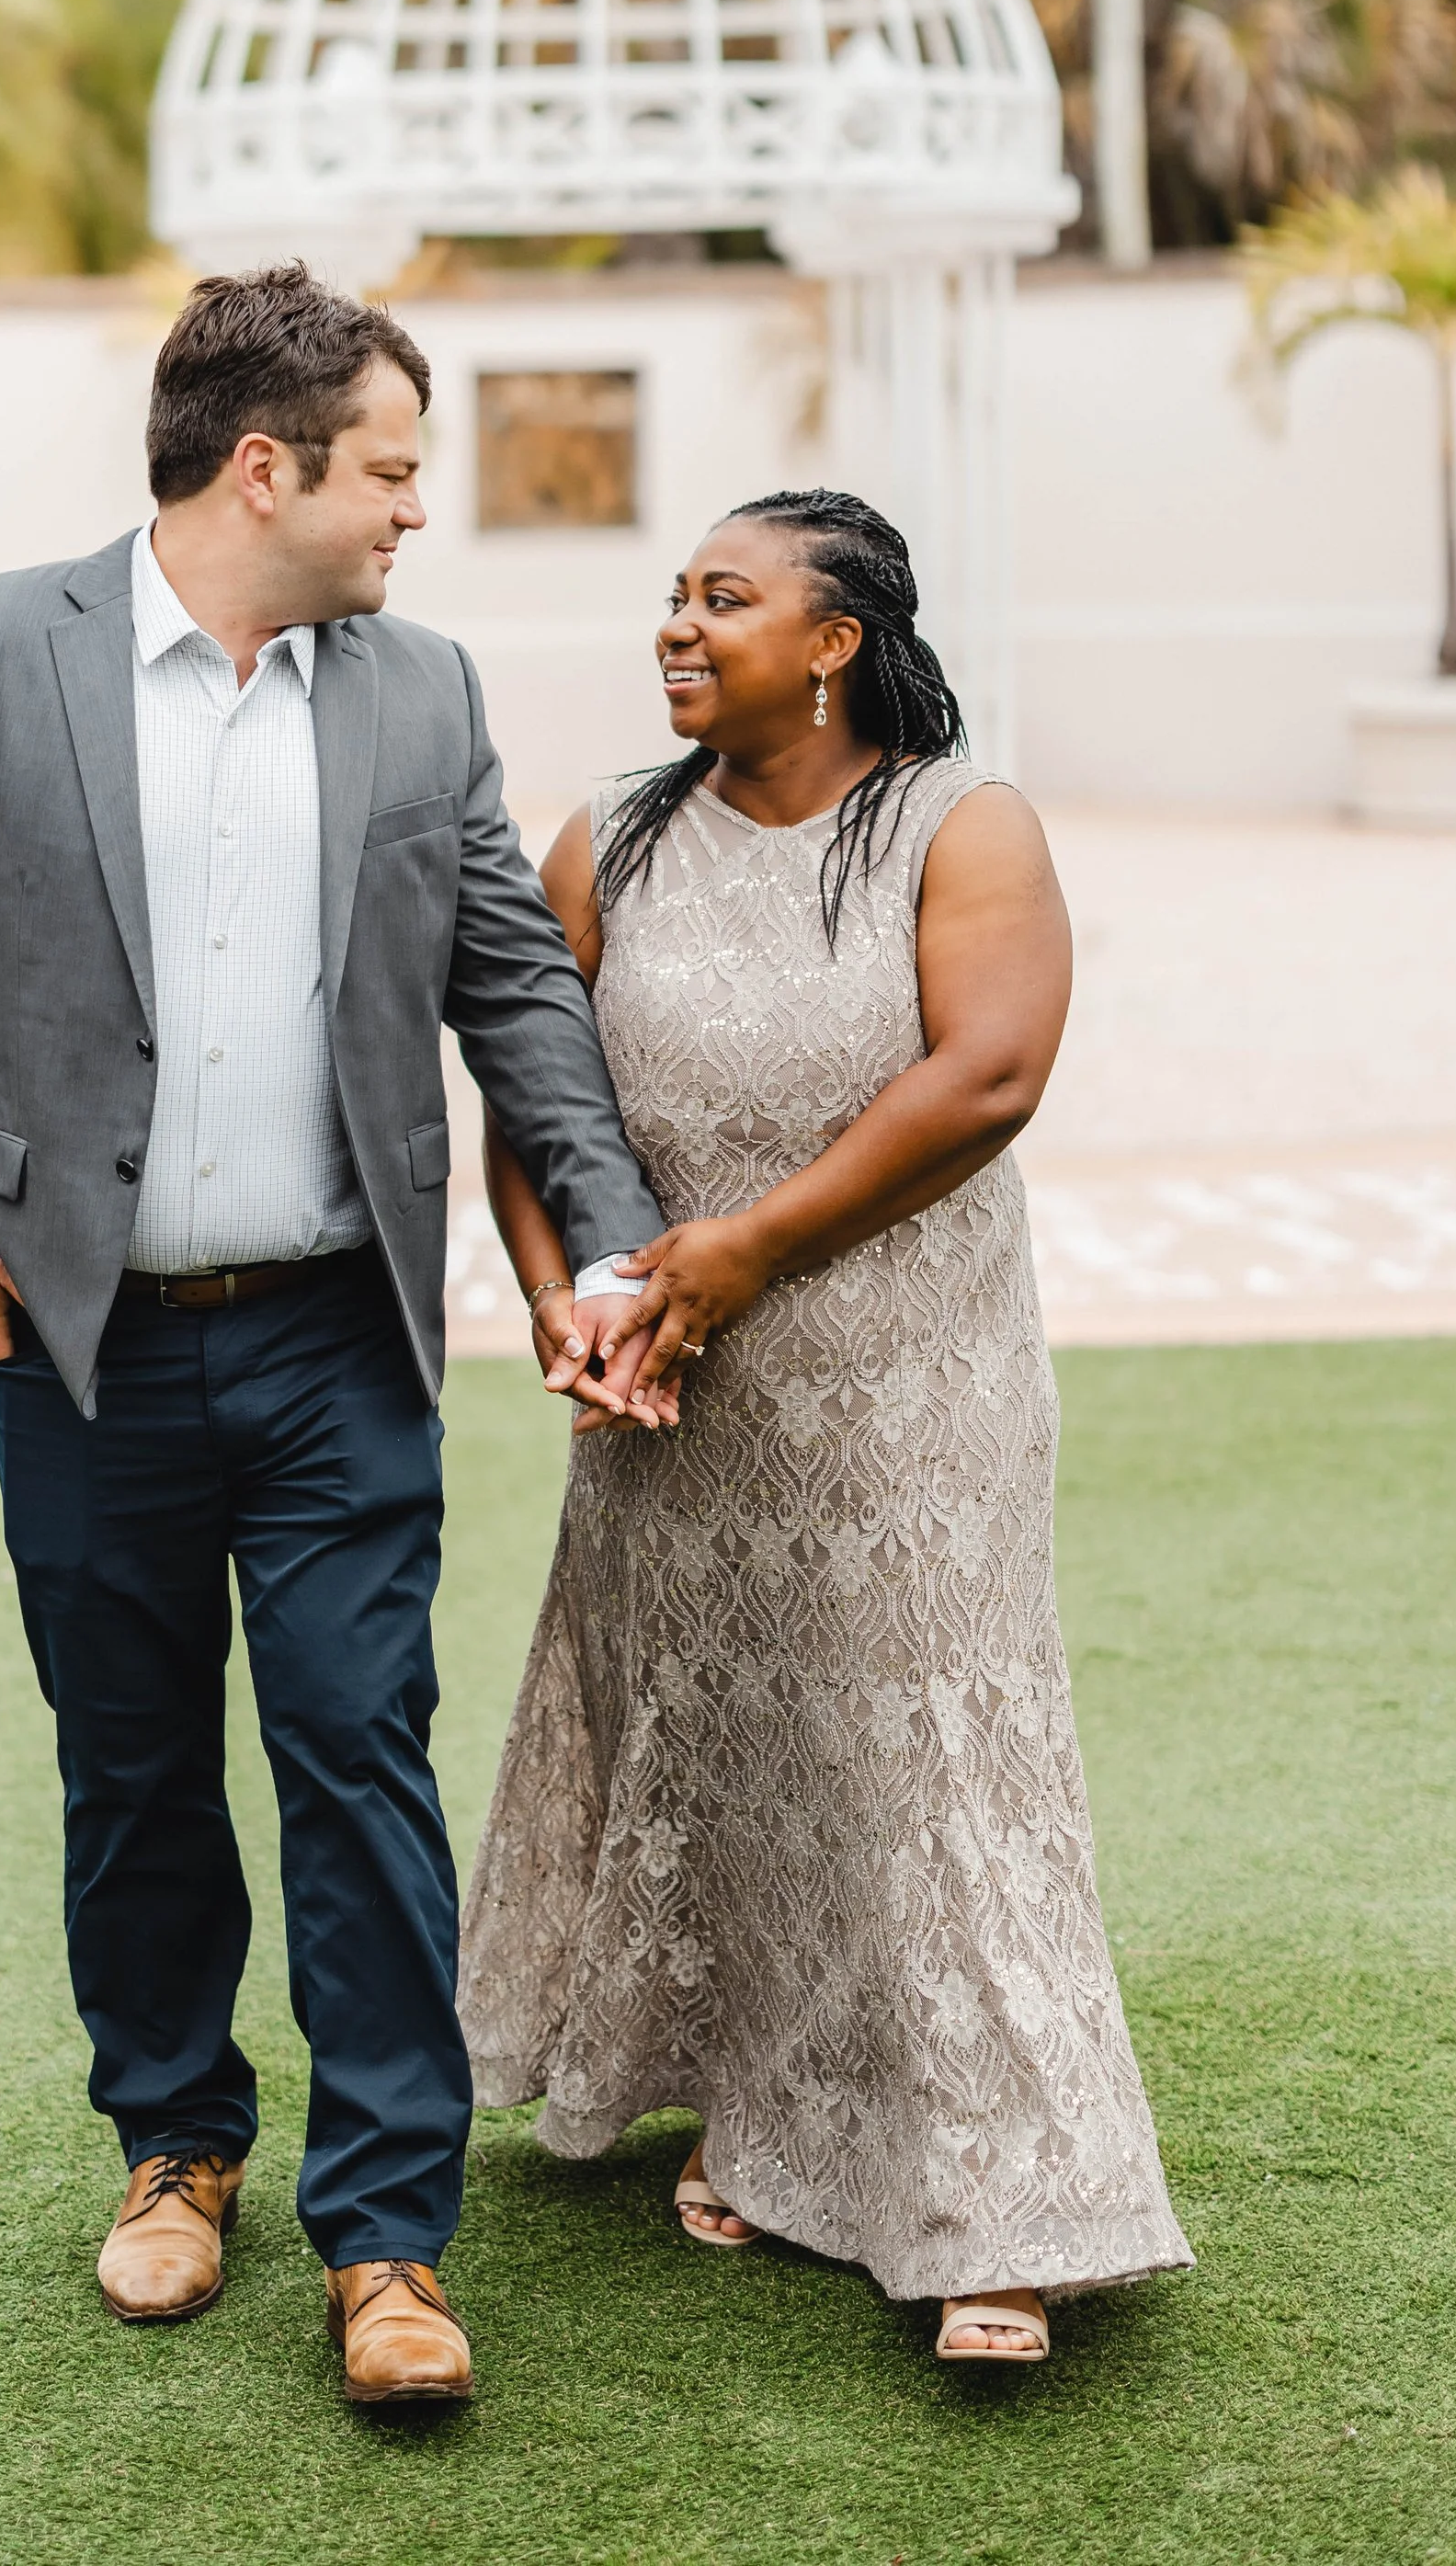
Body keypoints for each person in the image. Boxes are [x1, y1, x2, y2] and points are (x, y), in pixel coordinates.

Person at [0, 264, 666, 2407]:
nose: (408, 514)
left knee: (358, 1761)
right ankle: (173, 2145)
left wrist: (618, 1241)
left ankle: (387, 2240)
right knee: (130, 1766)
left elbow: (515, 993)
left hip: (334, 1340)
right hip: (78, 1347)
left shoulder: (418, 686)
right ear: (261, 466)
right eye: (386, 470)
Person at [460, 487, 1192, 2363]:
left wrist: (741, 1255)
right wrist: (574, 1304)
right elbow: (540, 1108)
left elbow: (989, 1072)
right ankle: (768, 2127)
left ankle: (993, 2220)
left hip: (901, 1392)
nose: (676, 628)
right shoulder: (607, 840)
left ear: (837, 638)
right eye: (670, 599)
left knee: (928, 1768)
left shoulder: (959, 825)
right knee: (721, 1751)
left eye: (723, 599)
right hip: (673, 1404)